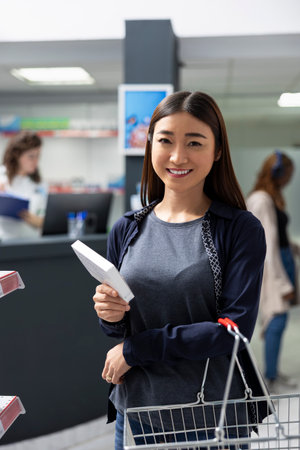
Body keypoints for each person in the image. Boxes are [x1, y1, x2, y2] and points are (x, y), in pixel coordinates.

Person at [93, 91, 267, 450]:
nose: (177, 156)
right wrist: (110, 315)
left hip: (209, 415)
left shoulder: (238, 229)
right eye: (166, 140)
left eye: (194, 142)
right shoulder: (127, 228)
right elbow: (122, 329)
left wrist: (136, 349)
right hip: (136, 410)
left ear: (217, 151)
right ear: (150, 145)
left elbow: (234, 330)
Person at [247, 151, 299, 394]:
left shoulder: (271, 197)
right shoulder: (262, 200)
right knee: (275, 320)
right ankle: (268, 379)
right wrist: (282, 284)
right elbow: (267, 245)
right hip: (274, 268)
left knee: (279, 320)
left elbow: (277, 235)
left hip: (284, 260)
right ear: (278, 173)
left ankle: (273, 373)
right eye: (289, 174)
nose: (289, 179)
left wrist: (293, 246)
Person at [0, 131, 47, 240]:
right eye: (31, 157)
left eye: (38, 156)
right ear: (16, 155)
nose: (36, 161)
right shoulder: (1, 178)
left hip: (32, 242)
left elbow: (47, 221)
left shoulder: (39, 184)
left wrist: (34, 220)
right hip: (5, 242)